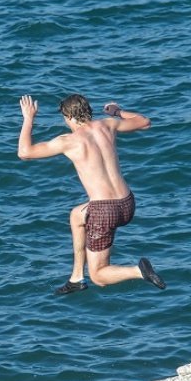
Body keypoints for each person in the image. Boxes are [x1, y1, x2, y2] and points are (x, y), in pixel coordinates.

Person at [17, 93, 166, 294]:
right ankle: (76, 277)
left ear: (69, 117)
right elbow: (144, 122)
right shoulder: (108, 125)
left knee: (99, 276)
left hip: (104, 211)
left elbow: (24, 152)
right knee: (76, 215)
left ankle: (139, 271)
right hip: (127, 203)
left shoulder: (68, 141)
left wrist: (28, 118)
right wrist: (118, 112)